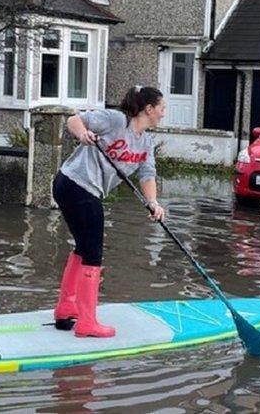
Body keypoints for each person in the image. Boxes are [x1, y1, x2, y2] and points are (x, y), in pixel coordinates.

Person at [51, 86, 167, 338]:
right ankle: (87, 322)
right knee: (93, 253)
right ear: (149, 109)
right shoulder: (116, 120)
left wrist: (153, 203)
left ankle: (65, 309)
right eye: (162, 108)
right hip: (74, 184)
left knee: (84, 247)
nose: (163, 114)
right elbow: (74, 120)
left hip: (83, 191)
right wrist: (82, 134)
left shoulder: (146, 142)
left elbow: (147, 175)